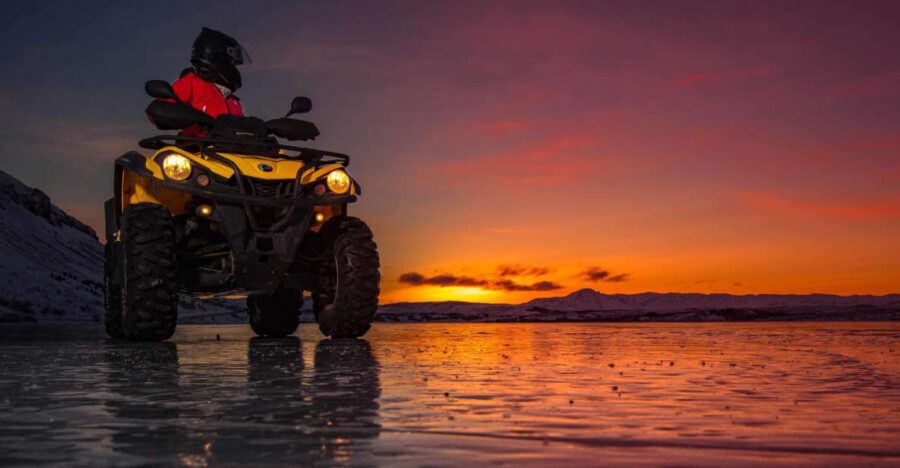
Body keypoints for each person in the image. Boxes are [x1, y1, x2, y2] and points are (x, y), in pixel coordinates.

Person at [172, 27, 250, 136]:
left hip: (228, 151)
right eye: (232, 64)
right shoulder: (191, 82)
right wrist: (168, 112)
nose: (234, 70)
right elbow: (164, 106)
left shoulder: (233, 102)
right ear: (219, 59)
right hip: (195, 150)